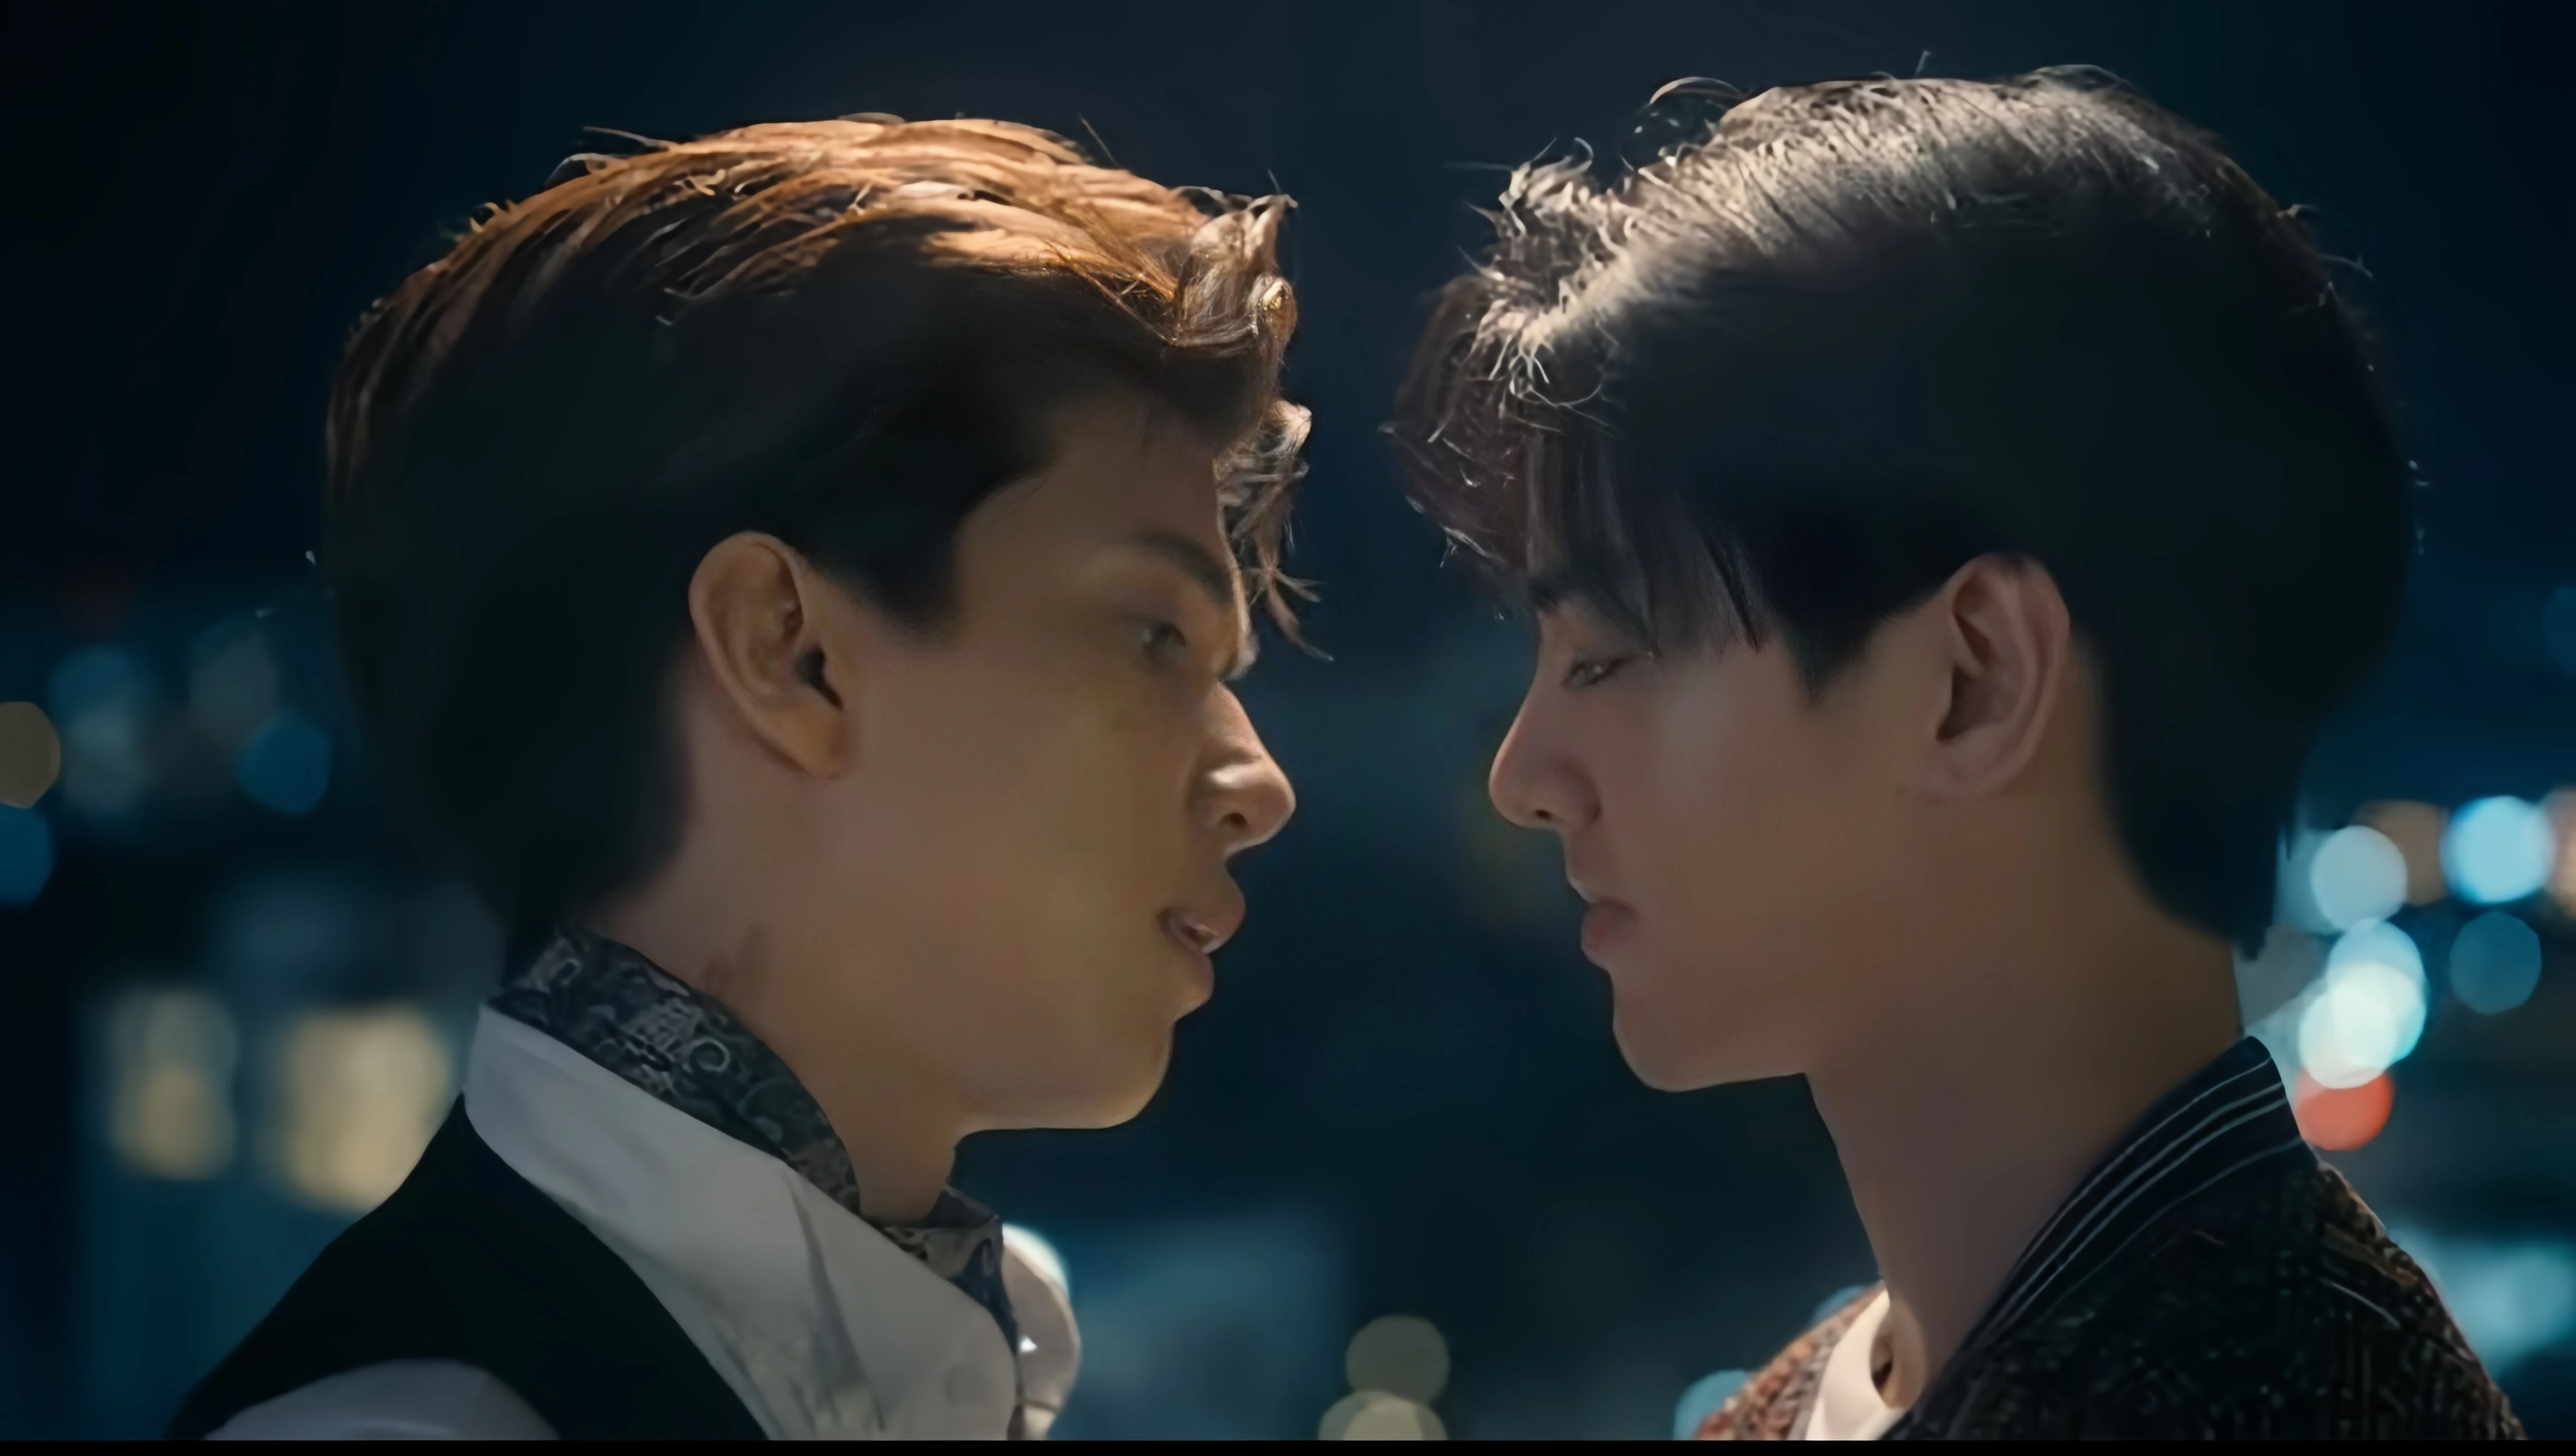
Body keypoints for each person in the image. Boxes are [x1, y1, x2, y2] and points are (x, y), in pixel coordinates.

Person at [1395, 69, 2521, 1439]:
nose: (1523, 774)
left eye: (1607, 653)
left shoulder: (2283, 1409)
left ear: (1974, 679)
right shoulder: (1822, 1397)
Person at [171, 116, 1303, 1440]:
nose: (1258, 782)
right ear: (790, 652)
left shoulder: (953, 1360)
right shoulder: (418, 1426)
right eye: (1152, 635)